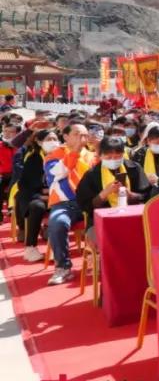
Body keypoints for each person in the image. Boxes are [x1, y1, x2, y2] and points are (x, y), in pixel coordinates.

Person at [76, 136, 152, 248]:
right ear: (100, 155)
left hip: (134, 217)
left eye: (117, 156)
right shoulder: (92, 175)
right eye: (109, 157)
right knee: (110, 242)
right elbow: (85, 205)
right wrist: (104, 193)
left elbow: (147, 196)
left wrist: (130, 195)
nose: (113, 160)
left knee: (147, 236)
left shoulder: (134, 168)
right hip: (101, 222)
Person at [43, 122, 93, 285]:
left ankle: (98, 260)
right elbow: (58, 173)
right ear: (65, 137)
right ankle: (63, 267)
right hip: (65, 203)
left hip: (91, 202)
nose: (82, 138)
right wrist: (75, 152)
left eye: (84, 135)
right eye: (77, 134)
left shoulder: (92, 155)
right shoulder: (53, 156)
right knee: (57, 222)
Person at [14, 129, 53, 263]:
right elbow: (27, 184)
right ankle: (31, 247)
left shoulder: (63, 156)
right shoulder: (33, 158)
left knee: (62, 208)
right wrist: (43, 194)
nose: (53, 142)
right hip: (36, 195)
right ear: (39, 142)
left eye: (55, 139)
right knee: (37, 207)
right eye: (48, 139)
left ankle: (56, 248)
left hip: (59, 195)